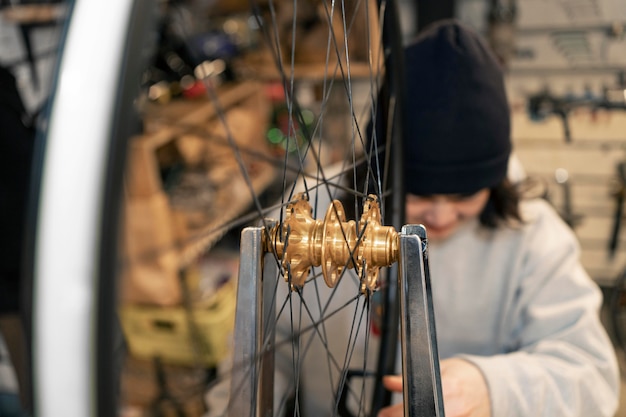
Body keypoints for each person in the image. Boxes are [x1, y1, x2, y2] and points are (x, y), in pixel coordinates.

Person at [376, 19, 619, 417]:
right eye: (419, 193)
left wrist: (491, 388)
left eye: (465, 194)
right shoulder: (314, 210)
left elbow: (593, 378)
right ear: (380, 174)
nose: (439, 216)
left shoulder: (535, 237)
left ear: (495, 182)